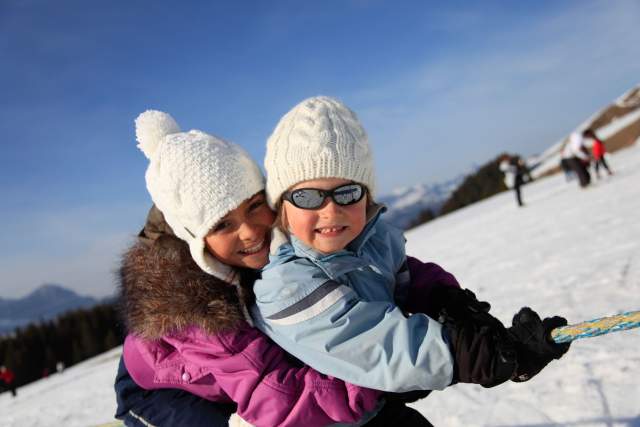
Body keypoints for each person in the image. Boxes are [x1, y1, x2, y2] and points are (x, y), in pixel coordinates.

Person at [116, 110, 463, 427]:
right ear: (198, 241)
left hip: (252, 372)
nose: (251, 231)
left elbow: (367, 269)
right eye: (223, 225)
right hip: (165, 392)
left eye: (254, 206)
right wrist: (379, 381)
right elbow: (278, 399)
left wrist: (440, 297)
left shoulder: (287, 235)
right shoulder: (196, 310)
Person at [252, 96, 571, 422]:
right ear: (282, 207)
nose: (331, 210)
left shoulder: (373, 242)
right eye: (307, 196)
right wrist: (468, 354)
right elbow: (377, 346)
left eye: (347, 192)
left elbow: (409, 277)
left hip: (374, 405)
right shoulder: (285, 285)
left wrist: (448, 302)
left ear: (366, 196)